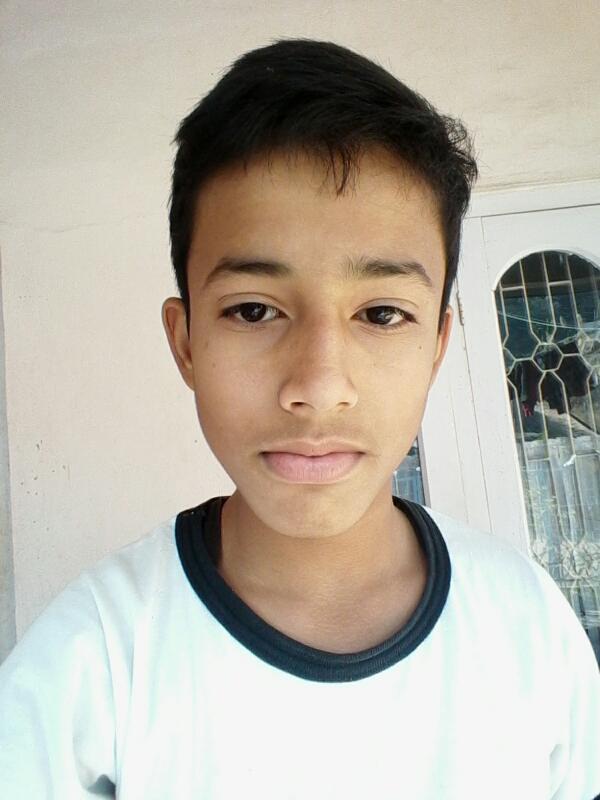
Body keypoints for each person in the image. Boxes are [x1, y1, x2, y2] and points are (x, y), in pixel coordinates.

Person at [0, 37, 598, 799]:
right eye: (254, 310)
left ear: (437, 347)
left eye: (382, 313)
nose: (318, 387)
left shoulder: (526, 627)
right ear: (186, 343)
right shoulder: (91, 662)